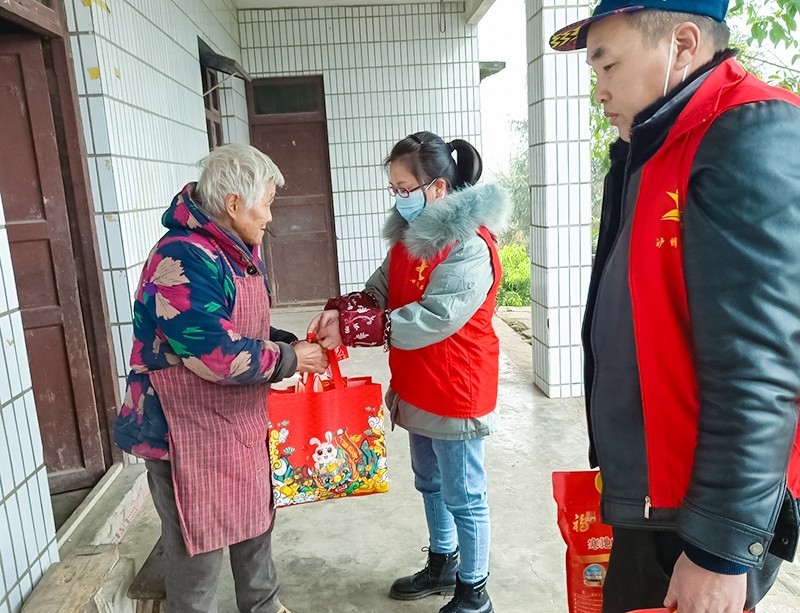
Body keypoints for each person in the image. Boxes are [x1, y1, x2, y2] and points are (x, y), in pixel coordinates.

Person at [549, 1, 800, 612]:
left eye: (606, 65)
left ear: (683, 44)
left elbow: (762, 363)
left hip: (700, 509)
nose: (599, 90)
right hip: (661, 490)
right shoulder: (660, 143)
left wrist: (720, 549)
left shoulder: (748, 131)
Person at [114, 143, 328, 613]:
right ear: (233, 204)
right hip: (184, 432)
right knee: (198, 549)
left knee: (254, 520)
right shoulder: (184, 258)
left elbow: (239, 325)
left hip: (233, 423)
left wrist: (292, 340)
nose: (270, 216)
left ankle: (263, 605)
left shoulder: (234, 249)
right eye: (266, 202)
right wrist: (291, 359)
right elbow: (216, 355)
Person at [309, 131, 510, 613]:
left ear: (437, 188)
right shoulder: (407, 240)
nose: (398, 199)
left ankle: (474, 589)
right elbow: (379, 289)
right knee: (430, 481)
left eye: (404, 189)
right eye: (394, 190)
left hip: (456, 388)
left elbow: (436, 316)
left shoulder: (470, 247)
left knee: (465, 493)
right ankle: (443, 562)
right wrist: (343, 314)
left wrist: (364, 328)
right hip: (417, 382)